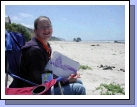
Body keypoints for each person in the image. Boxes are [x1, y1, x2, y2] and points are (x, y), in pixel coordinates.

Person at [18, 16, 86, 95]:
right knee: (79, 89)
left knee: (78, 81)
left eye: (48, 26)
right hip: (34, 89)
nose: (46, 29)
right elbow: (41, 80)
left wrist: (68, 76)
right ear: (35, 31)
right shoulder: (34, 50)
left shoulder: (45, 46)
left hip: (43, 83)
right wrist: (67, 80)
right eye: (42, 27)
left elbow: (47, 71)